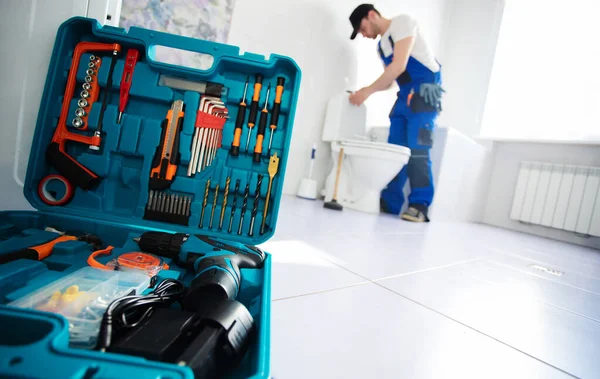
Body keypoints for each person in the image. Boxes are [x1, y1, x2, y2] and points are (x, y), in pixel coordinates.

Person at [348, 4, 443, 222]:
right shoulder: (382, 45)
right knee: (395, 150)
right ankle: (390, 202)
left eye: (362, 28)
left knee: (418, 150)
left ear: (371, 15)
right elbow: (391, 81)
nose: (363, 35)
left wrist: (366, 92)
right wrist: (364, 91)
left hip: (425, 92)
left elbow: (399, 66)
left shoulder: (402, 22)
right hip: (405, 95)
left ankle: (420, 205)